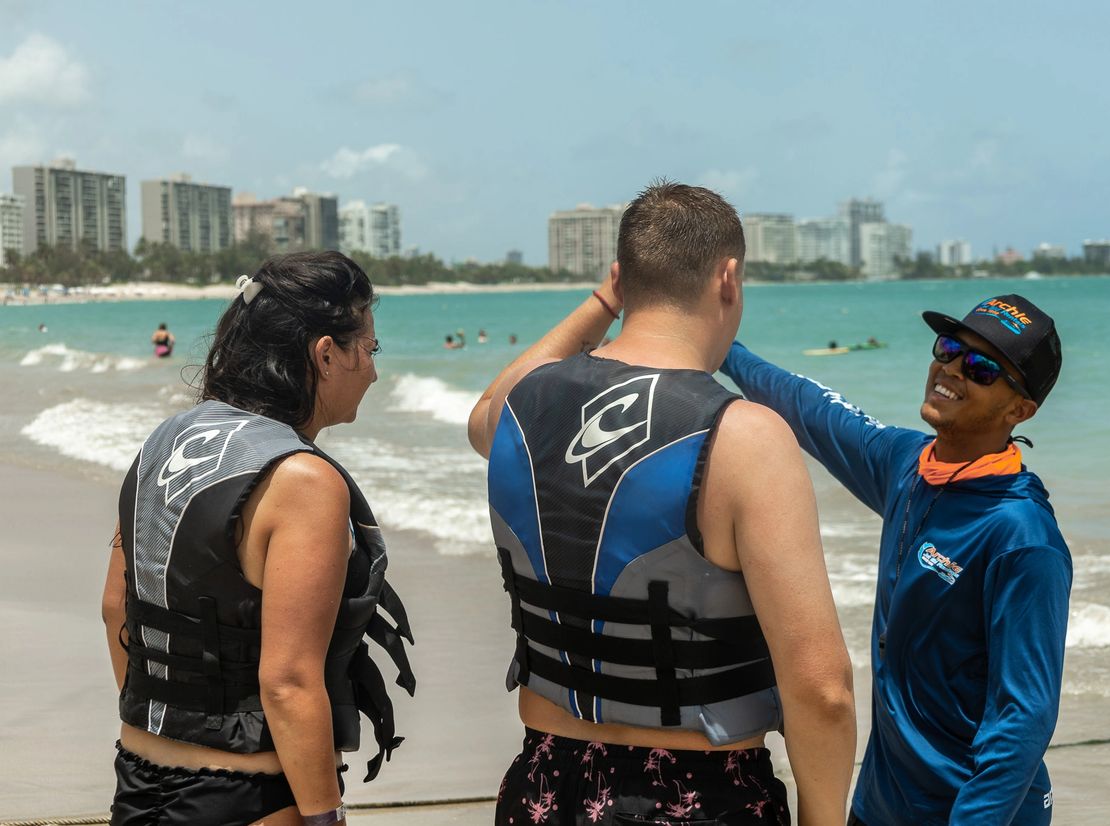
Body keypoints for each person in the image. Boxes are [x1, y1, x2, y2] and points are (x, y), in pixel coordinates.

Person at [468, 182, 856, 826]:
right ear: (728, 278)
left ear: (622, 279)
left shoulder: (518, 408)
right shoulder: (743, 437)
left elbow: (484, 410)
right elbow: (823, 691)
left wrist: (600, 303)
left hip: (545, 784)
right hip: (695, 796)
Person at [720, 294, 1072, 825]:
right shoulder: (907, 464)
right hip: (881, 804)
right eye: (950, 348)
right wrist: (718, 342)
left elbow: (1023, 717)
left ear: (1019, 409)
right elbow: (805, 404)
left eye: (981, 368)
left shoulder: (1021, 537)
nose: (951, 369)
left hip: (970, 812)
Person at [102, 253, 416, 826]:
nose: (372, 371)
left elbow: (115, 609)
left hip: (137, 778)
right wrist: (326, 816)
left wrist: (171, 729)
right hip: (245, 795)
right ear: (325, 355)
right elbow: (288, 681)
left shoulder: (166, 440)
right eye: (369, 350)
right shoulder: (303, 480)